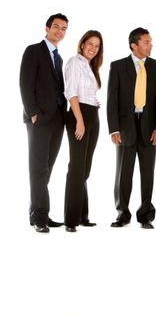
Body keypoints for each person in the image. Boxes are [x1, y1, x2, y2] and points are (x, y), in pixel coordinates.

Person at [107, 27, 156, 229]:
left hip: (150, 128)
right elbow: (112, 100)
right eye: (147, 42)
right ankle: (122, 213)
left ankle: (146, 215)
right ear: (134, 45)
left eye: (151, 41)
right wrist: (114, 129)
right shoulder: (118, 66)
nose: (151, 45)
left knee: (148, 173)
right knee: (123, 173)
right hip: (125, 127)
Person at [19, 13, 69, 233]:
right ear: (47, 28)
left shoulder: (59, 57)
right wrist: (33, 113)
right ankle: (41, 217)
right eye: (56, 27)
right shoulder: (34, 51)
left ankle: (37, 213)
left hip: (57, 119)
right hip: (39, 119)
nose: (59, 31)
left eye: (64, 28)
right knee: (38, 169)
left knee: (46, 169)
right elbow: (25, 83)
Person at [63, 30, 103, 232]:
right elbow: (71, 93)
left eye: (97, 46)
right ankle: (71, 220)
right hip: (79, 116)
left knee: (85, 168)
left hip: (92, 115)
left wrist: (94, 105)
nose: (93, 49)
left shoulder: (90, 66)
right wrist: (79, 120)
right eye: (90, 44)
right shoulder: (74, 62)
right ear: (82, 44)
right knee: (77, 167)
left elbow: (88, 93)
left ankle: (82, 215)